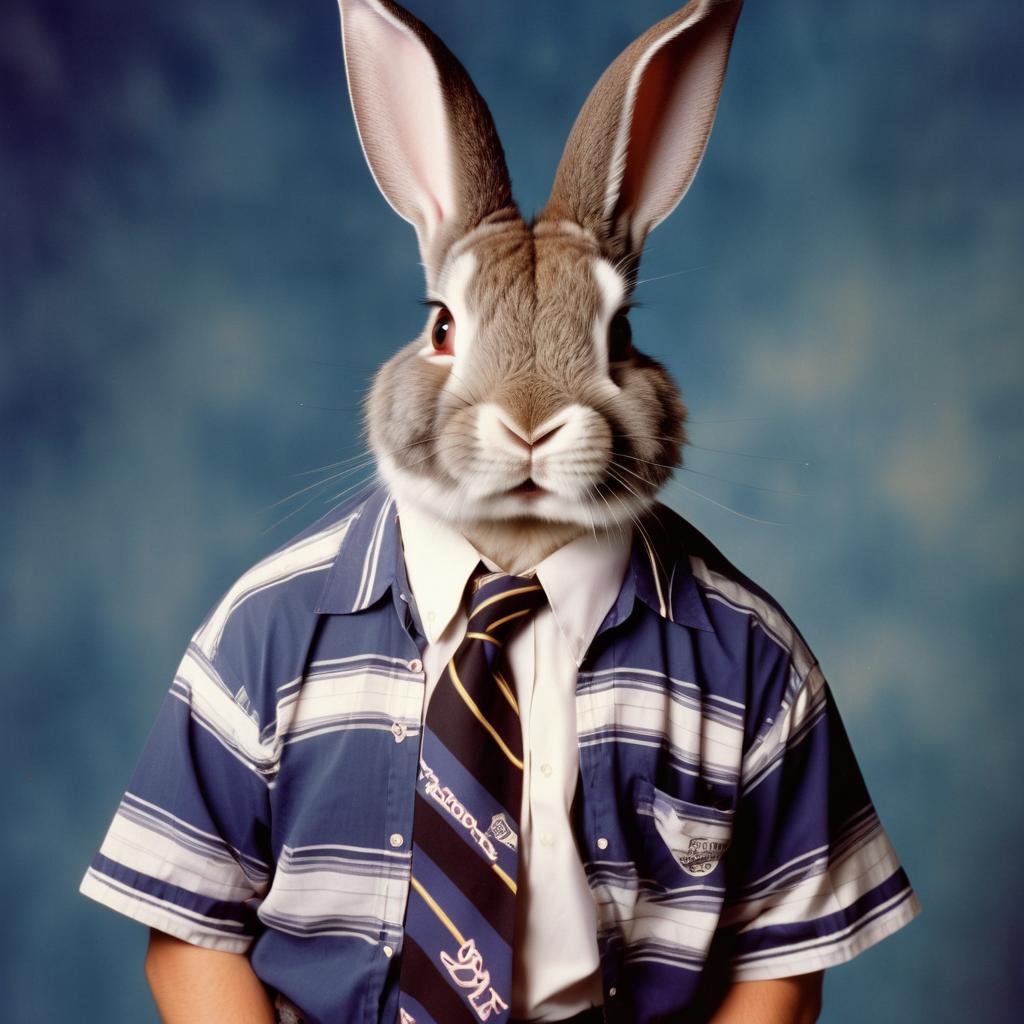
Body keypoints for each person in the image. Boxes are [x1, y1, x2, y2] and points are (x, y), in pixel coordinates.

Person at [79, 2, 920, 1021]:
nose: (527, 419)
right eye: (452, 331)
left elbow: (781, 957)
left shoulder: (746, 659)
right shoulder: (266, 630)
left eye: (599, 347)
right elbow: (189, 934)